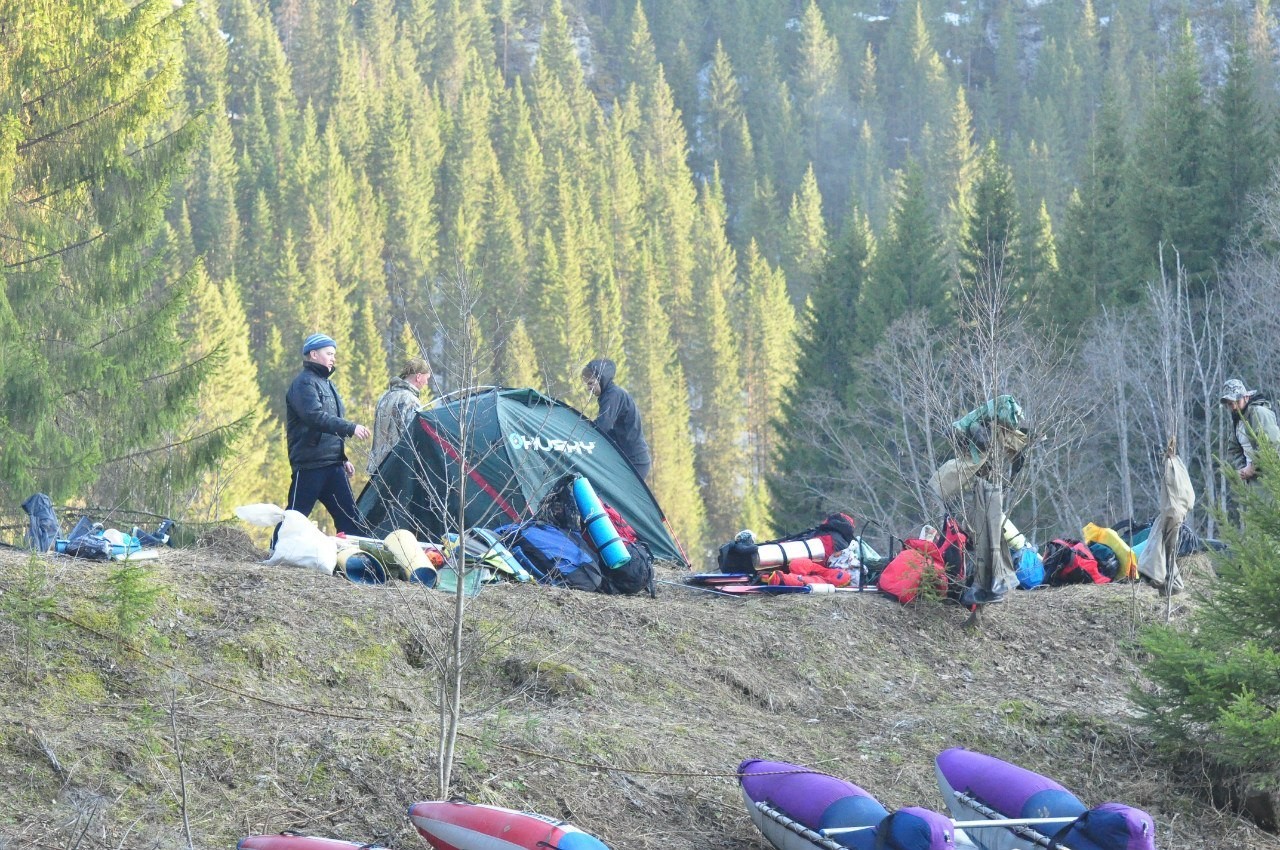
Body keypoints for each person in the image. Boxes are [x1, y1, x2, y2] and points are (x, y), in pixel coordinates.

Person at [283, 333, 371, 537]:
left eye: (334, 354)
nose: (333, 358)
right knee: (295, 516)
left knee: (350, 520)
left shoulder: (329, 385)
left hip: (333, 465)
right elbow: (314, 417)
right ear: (313, 354)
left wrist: (343, 458)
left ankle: (356, 563)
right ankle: (274, 551)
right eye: (329, 353)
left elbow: (329, 425)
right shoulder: (303, 384)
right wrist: (351, 428)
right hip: (310, 465)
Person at [582, 358, 651, 481]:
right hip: (629, 459)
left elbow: (603, 426)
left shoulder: (612, 395)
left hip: (634, 461)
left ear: (601, 379)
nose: (588, 388)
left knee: (621, 498)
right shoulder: (611, 394)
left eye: (591, 383)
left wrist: (581, 432)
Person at [368, 356, 431, 474]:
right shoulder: (411, 400)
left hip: (377, 466)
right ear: (418, 377)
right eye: (427, 378)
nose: (427, 383)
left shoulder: (385, 396)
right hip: (397, 468)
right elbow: (411, 438)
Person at [1221, 378, 1280, 483]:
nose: (1234, 407)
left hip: (1270, 477)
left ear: (1246, 397)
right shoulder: (1237, 421)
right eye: (1230, 404)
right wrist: (1243, 469)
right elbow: (1234, 449)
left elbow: (1272, 444)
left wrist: (1253, 467)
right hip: (1252, 480)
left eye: (1237, 401)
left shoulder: (1259, 413)